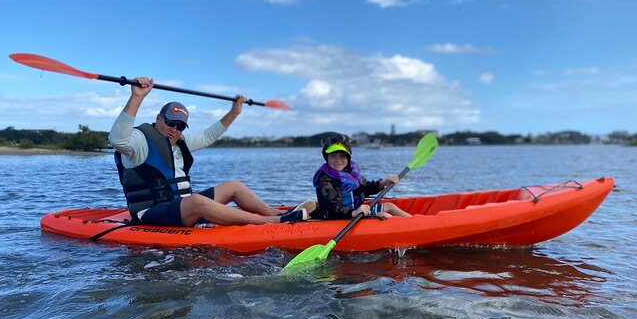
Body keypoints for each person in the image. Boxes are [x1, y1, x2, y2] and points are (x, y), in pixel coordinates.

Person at [108, 77, 311, 227]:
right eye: (170, 122)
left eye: (180, 126)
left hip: (180, 207)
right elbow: (117, 139)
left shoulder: (180, 142)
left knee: (234, 186)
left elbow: (208, 136)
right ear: (159, 118)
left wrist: (234, 112)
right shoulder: (140, 140)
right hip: (151, 213)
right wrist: (137, 97)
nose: (174, 129)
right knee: (196, 201)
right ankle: (270, 222)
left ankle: (277, 213)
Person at [312, 133, 411, 220]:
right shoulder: (326, 180)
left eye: (342, 156)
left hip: (356, 212)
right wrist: (355, 212)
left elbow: (364, 188)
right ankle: (412, 230)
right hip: (338, 217)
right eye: (333, 156)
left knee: (389, 206)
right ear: (327, 158)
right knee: (384, 215)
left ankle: (415, 222)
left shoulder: (350, 172)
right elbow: (333, 209)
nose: (338, 160)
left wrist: (383, 183)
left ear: (348, 158)